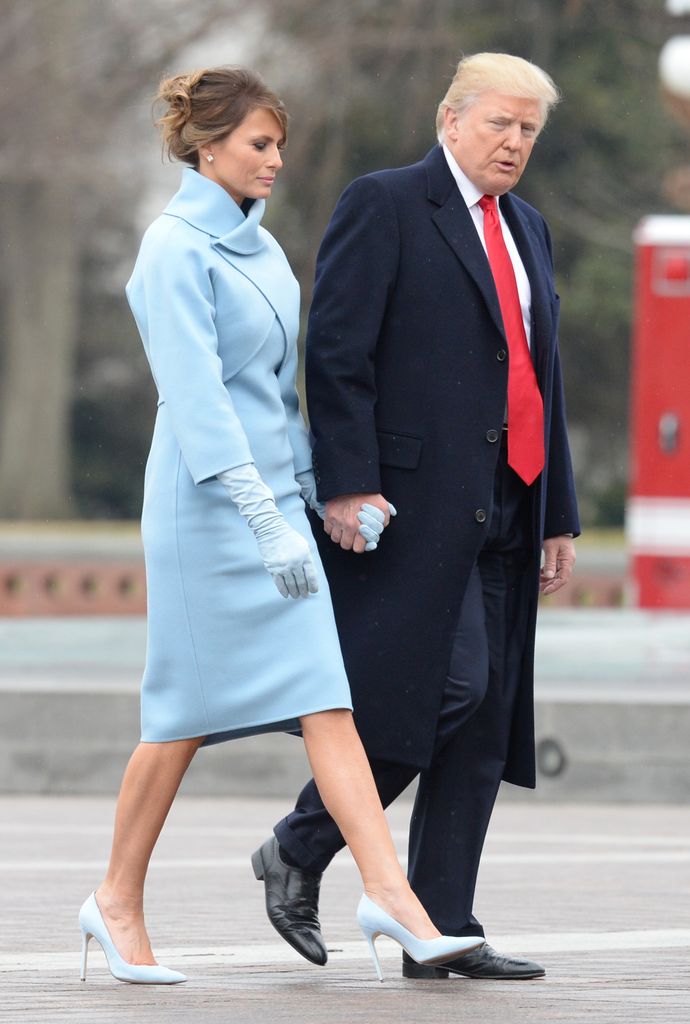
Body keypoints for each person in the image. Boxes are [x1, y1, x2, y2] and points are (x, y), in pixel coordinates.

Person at [77, 66, 481, 986]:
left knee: (327, 698)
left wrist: (323, 496)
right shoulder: (171, 249)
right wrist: (261, 517)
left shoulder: (260, 249)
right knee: (178, 719)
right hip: (204, 513)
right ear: (205, 145)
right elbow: (199, 402)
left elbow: (274, 395)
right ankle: (115, 900)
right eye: (259, 144)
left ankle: (392, 898)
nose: (276, 160)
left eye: (277, 145)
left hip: (271, 510)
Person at [255, 52, 580, 982]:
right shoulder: (386, 201)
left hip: (511, 504)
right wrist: (346, 483)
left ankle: (445, 926)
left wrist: (558, 512)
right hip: (407, 507)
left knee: (482, 726)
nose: (514, 143)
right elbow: (339, 348)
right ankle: (299, 843)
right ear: (450, 118)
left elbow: (540, 381)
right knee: (445, 691)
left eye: (528, 130)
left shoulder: (531, 229)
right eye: (499, 124)